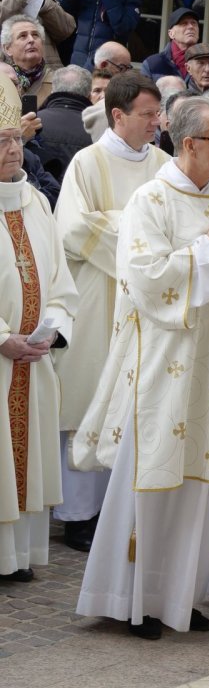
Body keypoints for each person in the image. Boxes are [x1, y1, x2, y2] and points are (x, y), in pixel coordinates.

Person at [75, 96, 209, 639]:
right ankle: (132, 602)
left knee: (203, 487)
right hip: (165, 365)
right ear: (190, 144)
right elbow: (145, 279)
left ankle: (181, 599)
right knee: (155, 480)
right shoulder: (151, 200)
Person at [52, 73, 170, 553]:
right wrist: (142, 240)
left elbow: (176, 225)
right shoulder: (87, 161)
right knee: (88, 401)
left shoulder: (165, 164)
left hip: (145, 302)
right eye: (147, 115)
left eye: (158, 114)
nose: (156, 124)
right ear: (118, 116)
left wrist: (129, 229)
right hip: (99, 294)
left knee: (132, 403)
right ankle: (78, 513)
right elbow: (75, 228)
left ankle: (116, 510)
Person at [0, 75, 77, 582]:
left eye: (12, 139)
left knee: (25, 459)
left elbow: (61, 282)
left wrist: (54, 329)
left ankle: (17, 556)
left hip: (35, 358)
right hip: (3, 357)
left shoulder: (37, 202)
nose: (10, 149)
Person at [33, 65, 93, 181]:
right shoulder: (96, 130)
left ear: (52, 90)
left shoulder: (32, 123)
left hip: (39, 194)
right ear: (89, 95)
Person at [2, 15, 53, 107]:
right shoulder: (3, 82)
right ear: (7, 48)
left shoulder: (58, 82)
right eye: (23, 36)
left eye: (35, 35)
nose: (31, 40)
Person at [141, 8, 203, 83]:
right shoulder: (152, 64)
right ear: (171, 34)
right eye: (184, 23)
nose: (190, 27)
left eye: (194, 23)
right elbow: (145, 93)